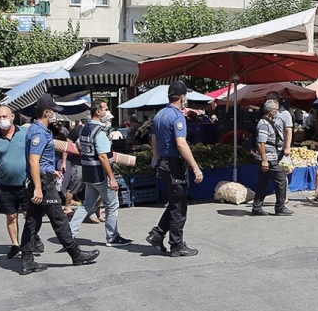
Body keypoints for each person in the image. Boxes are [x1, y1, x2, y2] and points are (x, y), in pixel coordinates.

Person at [20, 94, 99, 275]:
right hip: (42, 185)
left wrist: (50, 170)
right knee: (59, 220)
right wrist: (39, 187)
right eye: (53, 111)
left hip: (41, 179)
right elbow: (33, 161)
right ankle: (76, 254)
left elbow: (39, 162)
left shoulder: (35, 129)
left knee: (32, 221)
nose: (55, 114)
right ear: (46, 112)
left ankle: (26, 260)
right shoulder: (39, 132)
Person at [147, 82, 204, 257]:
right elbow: (181, 143)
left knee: (174, 202)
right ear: (182, 97)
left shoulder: (159, 115)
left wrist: (158, 161)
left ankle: (157, 234)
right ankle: (177, 245)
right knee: (179, 206)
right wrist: (196, 167)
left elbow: (154, 142)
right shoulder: (177, 116)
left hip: (164, 163)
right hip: (175, 165)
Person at [0, 105, 44, 259]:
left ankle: (31, 239)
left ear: (12, 116)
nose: (2, 120)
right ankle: (15, 244)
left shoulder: (26, 132)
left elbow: (36, 153)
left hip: (26, 184)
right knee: (11, 216)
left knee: (30, 215)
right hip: (5, 186)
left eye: (4, 116)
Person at [69, 100, 133, 247]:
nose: (107, 112)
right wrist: (112, 178)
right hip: (100, 175)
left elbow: (79, 146)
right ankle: (113, 237)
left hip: (88, 174)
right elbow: (103, 157)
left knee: (87, 204)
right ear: (98, 112)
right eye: (105, 109)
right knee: (112, 204)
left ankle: (69, 233)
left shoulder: (84, 129)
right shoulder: (100, 132)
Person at [252, 99, 293, 216]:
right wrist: (264, 160)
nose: (277, 112)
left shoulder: (269, 123)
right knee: (281, 180)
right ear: (271, 111)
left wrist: (276, 143)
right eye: (276, 109)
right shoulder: (264, 124)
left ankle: (257, 207)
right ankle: (280, 207)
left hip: (269, 157)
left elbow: (267, 141)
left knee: (262, 183)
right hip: (268, 159)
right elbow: (261, 143)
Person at [266, 91, 293, 202]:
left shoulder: (285, 114)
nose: (268, 102)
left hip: (281, 149)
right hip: (271, 148)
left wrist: (287, 147)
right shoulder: (269, 114)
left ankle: (284, 197)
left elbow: (289, 131)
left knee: (282, 173)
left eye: (270, 99)